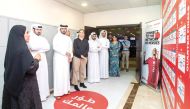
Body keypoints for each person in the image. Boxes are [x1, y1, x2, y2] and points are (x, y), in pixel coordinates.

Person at [2, 25, 42, 109]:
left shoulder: (12, 48)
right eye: (26, 32)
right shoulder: (22, 49)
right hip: (25, 88)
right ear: (20, 35)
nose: (28, 34)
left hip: (13, 86)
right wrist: (37, 59)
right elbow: (31, 68)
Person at [27, 24, 50, 101]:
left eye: (40, 30)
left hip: (43, 59)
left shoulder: (43, 38)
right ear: (33, 29)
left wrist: (38, 49)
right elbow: (32, 47)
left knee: (43, 76)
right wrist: (41, 48)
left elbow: (48, 47)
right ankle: (37, 97)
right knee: (37, 77)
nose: (39, 31)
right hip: (35, 59)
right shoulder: (30, 37)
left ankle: (44, 95)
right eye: (37, 29)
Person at [53, 25, 73, 99]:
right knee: (59, 75)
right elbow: (55, 47)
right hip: (59, 58)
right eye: (62, 29)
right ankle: (57, 93)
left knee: (65, 74)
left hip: (66, 59)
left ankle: (66, 90)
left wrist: (70, 56)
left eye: (65, 29)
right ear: (60, 29)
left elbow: (70, 48)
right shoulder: (56, 37)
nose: (64, 30)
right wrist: (65, 52)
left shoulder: (68, 38)